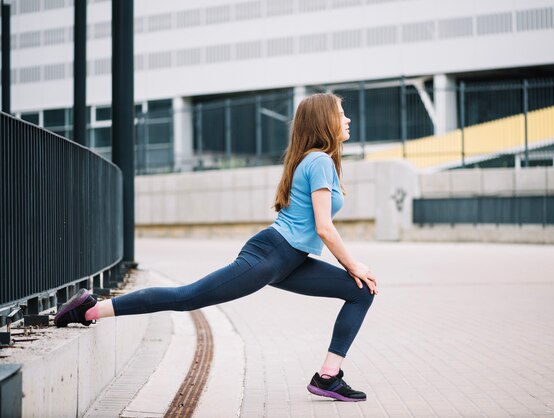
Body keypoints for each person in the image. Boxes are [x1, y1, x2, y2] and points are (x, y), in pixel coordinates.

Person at [54, 93, 378, 402]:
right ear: (324, 122)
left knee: (361, 292)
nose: (347, 120)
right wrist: (354, 265)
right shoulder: (319, 160)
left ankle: (327, 376)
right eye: (340, 114)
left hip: (289, 259)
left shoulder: (317, 160)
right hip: (271, 254)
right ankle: (89, 309)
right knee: (187, 297)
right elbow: (324, 227)